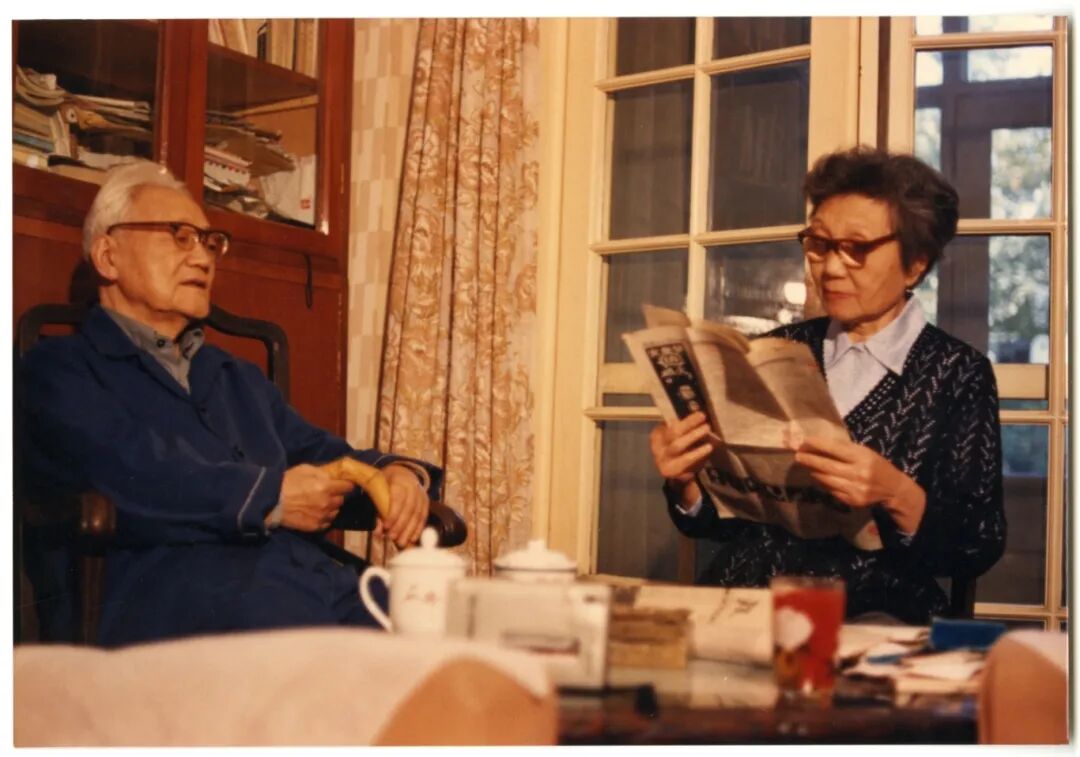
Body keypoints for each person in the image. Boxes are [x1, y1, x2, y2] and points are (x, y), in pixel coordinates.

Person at [19, 160, 439, 646]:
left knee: (448, 633)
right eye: (179, 236)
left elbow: (320, 452)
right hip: (172, 606)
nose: (202, 258)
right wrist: (271, 498)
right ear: (108, 257)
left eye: (209, 242)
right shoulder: (58, 370)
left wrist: (396, 474)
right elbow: (132, 471)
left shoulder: (234, 376)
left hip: (305, 585)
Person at [649, 146, 1006, 624]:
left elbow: (978, 543)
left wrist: (895, 493)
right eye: (819, 244)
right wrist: (685, 483)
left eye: (856, 249)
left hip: (870, 615)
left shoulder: (957, 372)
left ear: (915, 264)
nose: (831, 268)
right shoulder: (775, 350)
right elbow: (720, 525)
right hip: (746, 605)